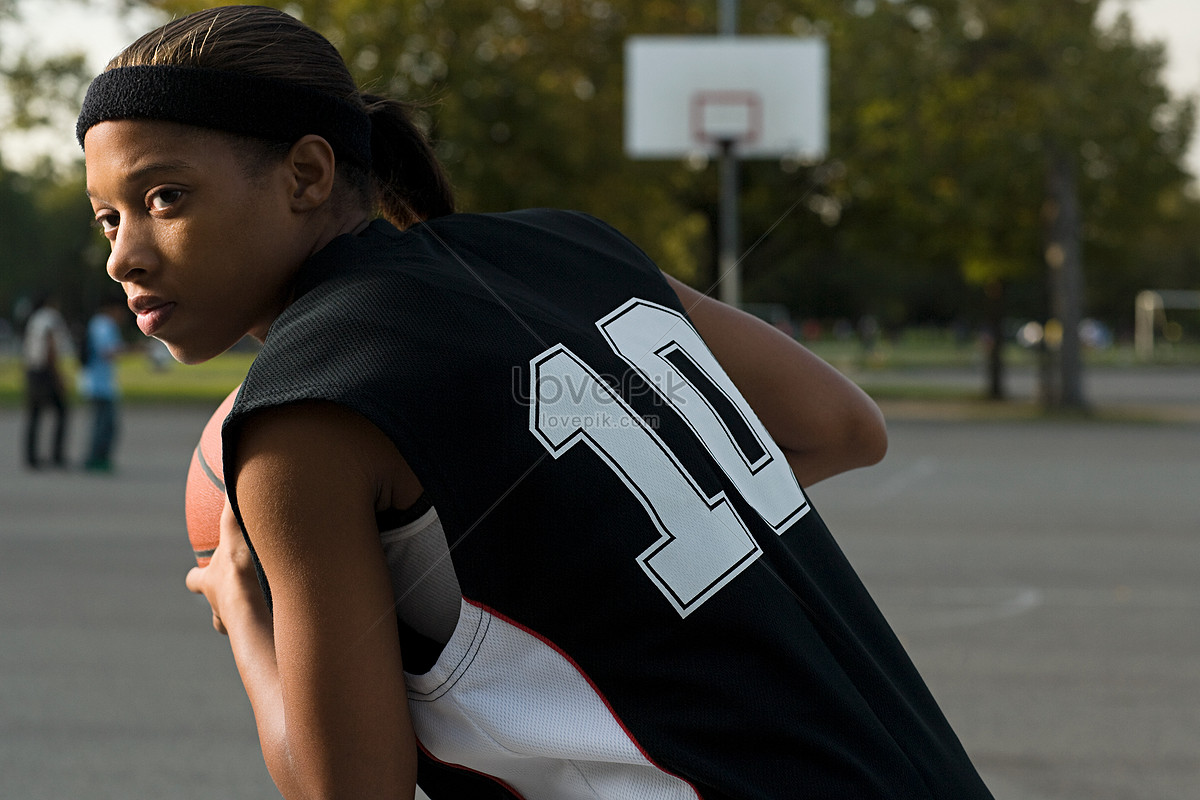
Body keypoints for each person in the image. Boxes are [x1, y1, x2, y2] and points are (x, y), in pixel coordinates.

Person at [77, 6, 994, 799]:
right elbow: (840, 427)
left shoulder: (304, 414)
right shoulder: (569, 246)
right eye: (109, 218)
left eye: (167, 197)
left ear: (309, 175)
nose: (125, 255)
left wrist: (247, 611)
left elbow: (349, 790)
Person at [21, 292, 73, 470]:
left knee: (35, 414)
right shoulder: (50, 317)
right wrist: (58, 375)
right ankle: (57, 455)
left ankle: (31, 457)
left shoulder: (34, 319)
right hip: (46, 371)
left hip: (33, 369)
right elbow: (50, 345)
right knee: (62, 411)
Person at [79, 295, 127, 472]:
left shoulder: (99, 323)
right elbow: (107, 351)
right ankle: (96, 459)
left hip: (99, 382)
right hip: (98, 384)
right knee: (104, 424)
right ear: (113, 309)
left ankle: (99, 458)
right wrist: (132, 349)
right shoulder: (103, 324)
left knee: (104, 423)